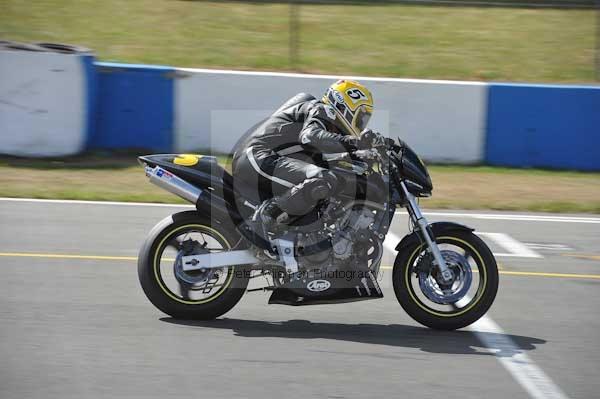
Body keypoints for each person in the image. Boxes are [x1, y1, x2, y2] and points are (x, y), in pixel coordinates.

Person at [231, 79, 386, 236]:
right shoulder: (322, 110)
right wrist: (355, 142)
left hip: (266, 159)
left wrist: (362, 155)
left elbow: (325, 153)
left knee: (329, 181)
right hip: (256, 157)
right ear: (344, 107)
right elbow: (309, 136)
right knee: (323, 178)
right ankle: (265, 218)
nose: (362, 124)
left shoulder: (329, 127)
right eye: (361, 117)